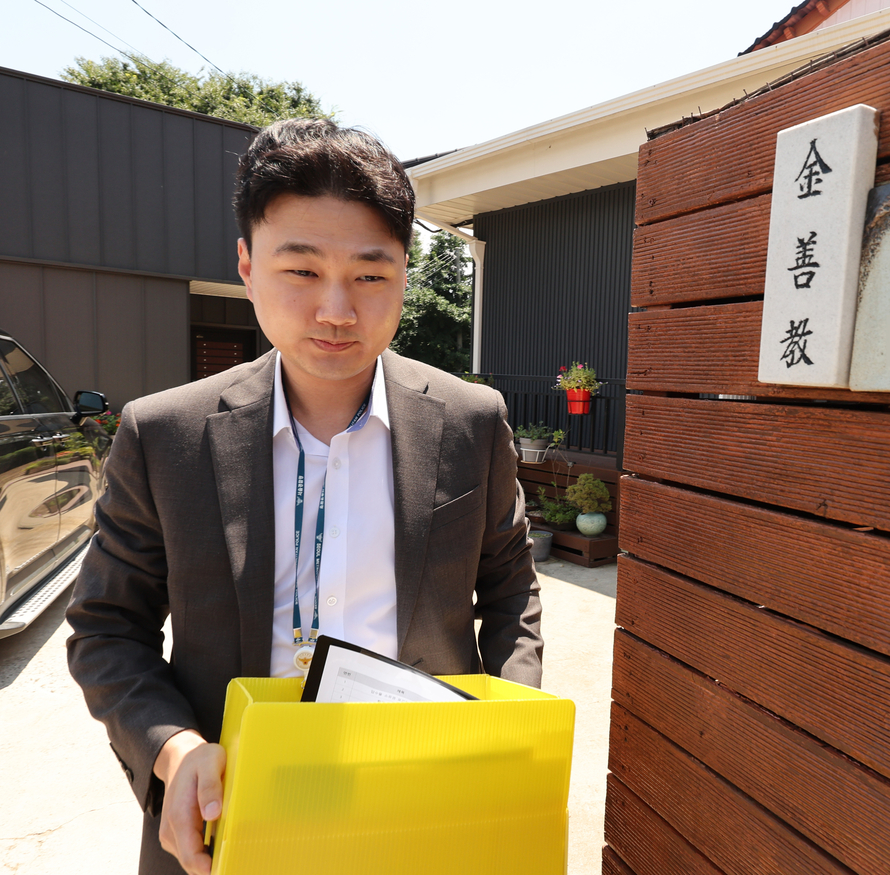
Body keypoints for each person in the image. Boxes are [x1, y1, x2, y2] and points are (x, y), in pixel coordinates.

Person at [66, 118, 542, 875]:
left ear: (404, 276)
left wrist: (507, 729)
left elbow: (511, 584)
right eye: (302, 270)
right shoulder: (165, 434)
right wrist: (174, 748)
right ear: (248, 267)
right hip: (236, 813)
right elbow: (106, 627)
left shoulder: (470, 420)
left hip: (421, 802)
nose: (336, 310)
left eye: (369, 273)